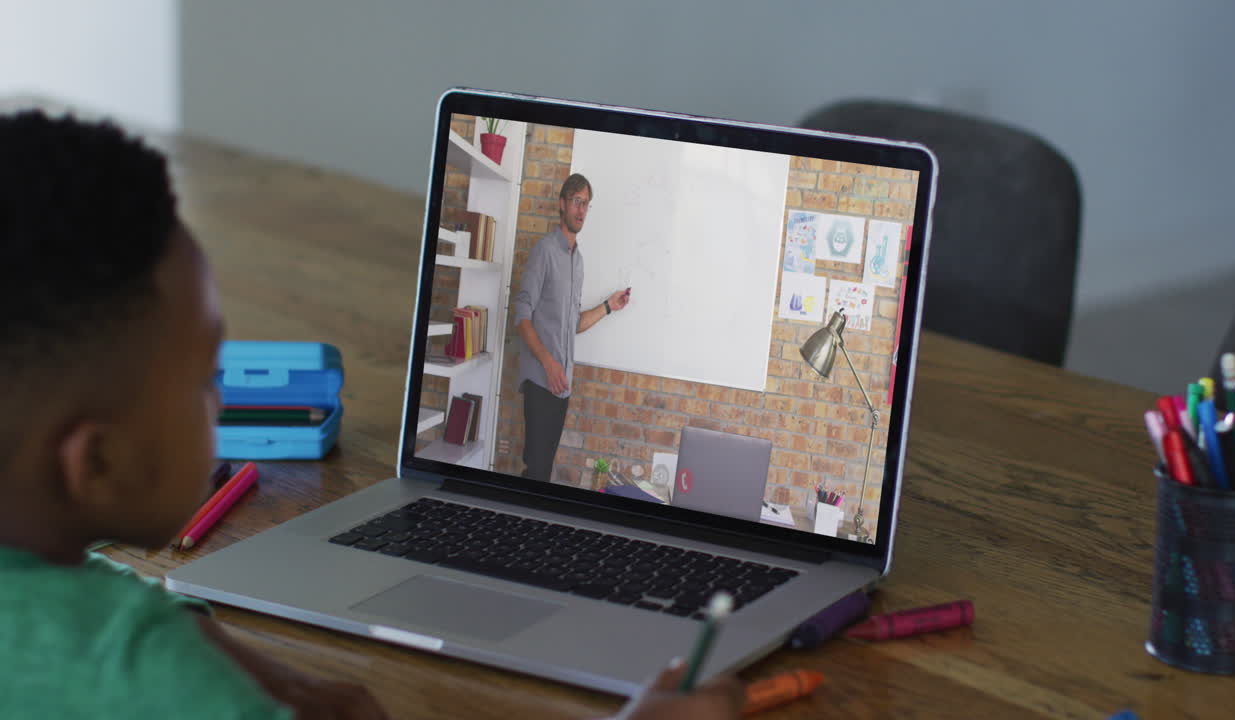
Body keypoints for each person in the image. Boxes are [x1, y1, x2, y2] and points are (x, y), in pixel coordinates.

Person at [0, 111, 741, 720]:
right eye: (203, 379)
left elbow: (80, 593)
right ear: (96, 461)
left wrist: (203, 639)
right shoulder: (151, 677)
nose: (221, 400)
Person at [514, 173, 630, 481]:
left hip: (561, 386)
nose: (581, 210)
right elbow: (521, 316)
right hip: (542, 379)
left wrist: (608, 306)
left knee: (544, 470)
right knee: (536, 470)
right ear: (562, 204)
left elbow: (572, 324)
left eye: (586, 204)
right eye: (577, 202)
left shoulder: (577, 262)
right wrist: (549, 363)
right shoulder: (544, 251)